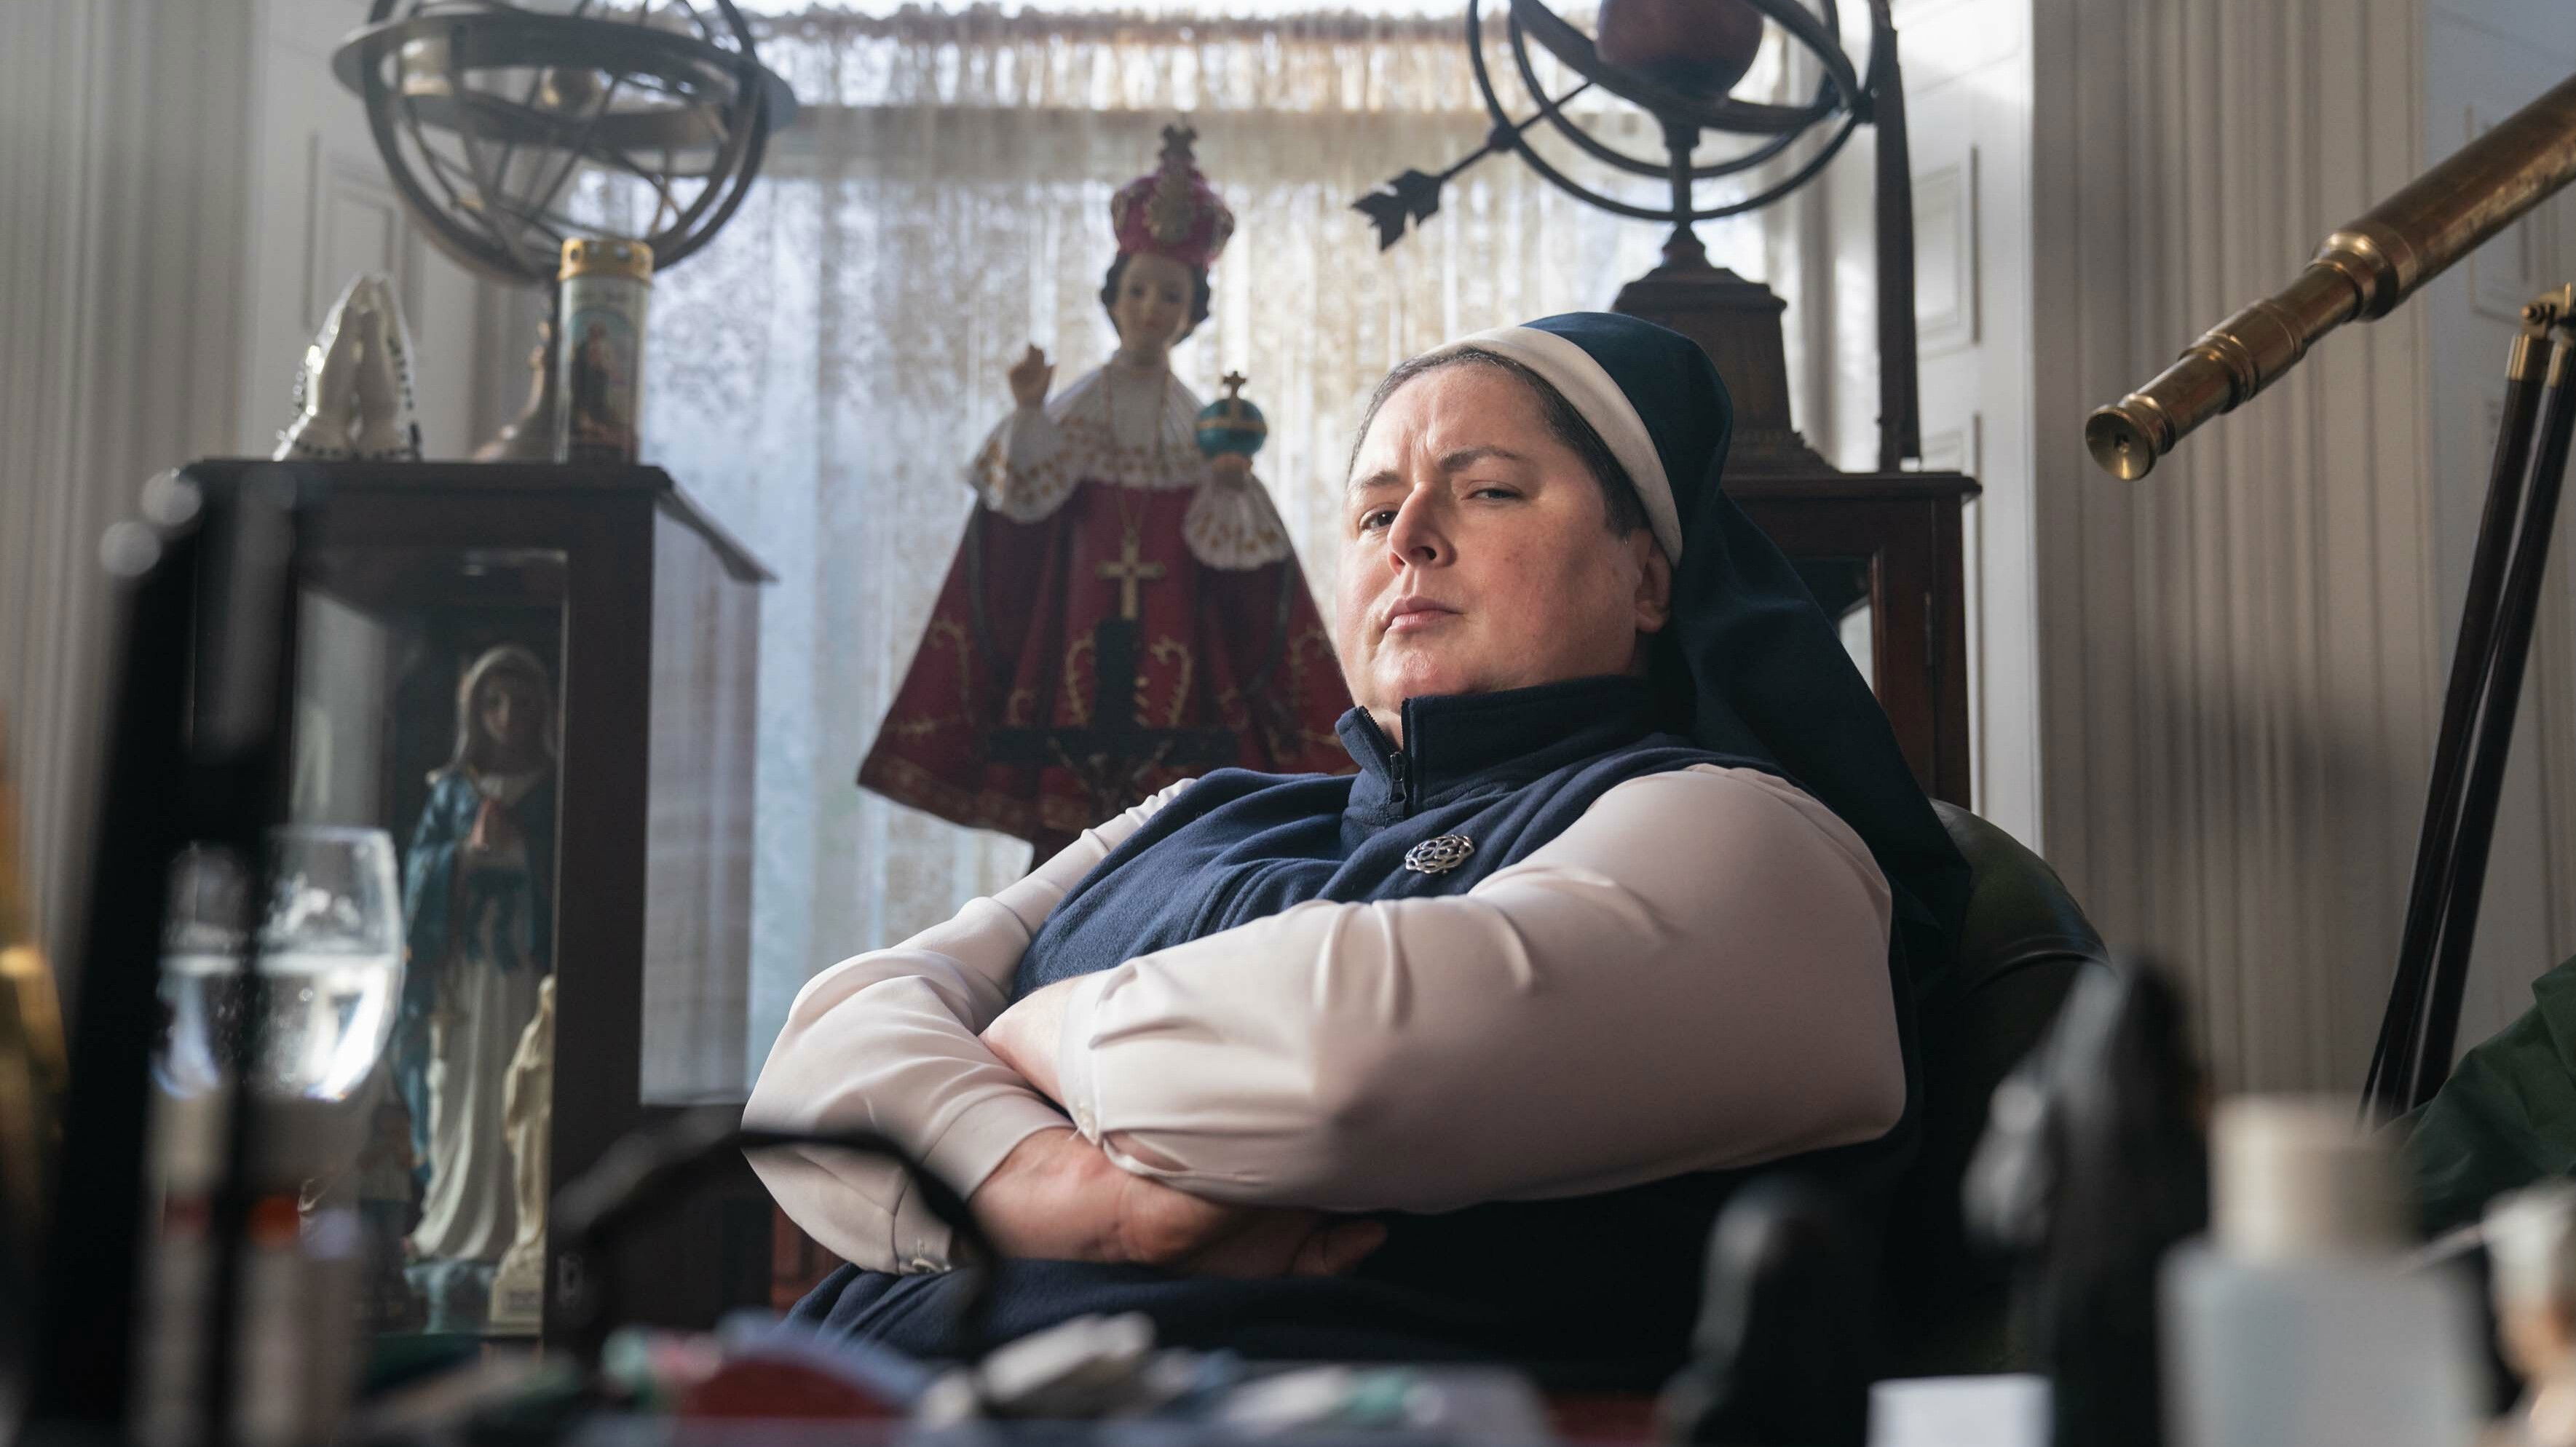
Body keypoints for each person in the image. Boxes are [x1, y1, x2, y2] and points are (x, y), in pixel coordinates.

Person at [752, 312, 1971, 1381]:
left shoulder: (1752, 836)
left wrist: (1028, 1024)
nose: (1410, 538)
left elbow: (1344, 1063)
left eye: (1487, 491)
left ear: (1648, 577)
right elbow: (822, 1055)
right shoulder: (1197, 810)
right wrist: (1075, 1196)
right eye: (1375, 510)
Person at [857, 124, 1352, 857]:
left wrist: (1228, 487)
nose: (1152, 307)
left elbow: (1251, 582)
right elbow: (1014, 525)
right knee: (1066, 843)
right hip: (1073, 636)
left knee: (1172, 833)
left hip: (1178, 647)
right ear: (1114, 295)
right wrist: (1029, 413)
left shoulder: (1203, 428)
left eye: (1171, 295)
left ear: (1192, 312)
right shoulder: (1070, 417)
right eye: (1139, 289)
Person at [395, 643, 558, 1330]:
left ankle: (519, 1225)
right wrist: (460, 858)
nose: (508, 716)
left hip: (521, 974)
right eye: (494, 703)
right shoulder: (452, 792)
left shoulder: (551, 789)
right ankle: (451, 1219)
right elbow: (417, 875)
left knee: (517, 1091)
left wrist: (522, 849)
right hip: (465, 975)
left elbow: (569, 872)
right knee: (457, 1093)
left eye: (521, 702)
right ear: (475, 712)